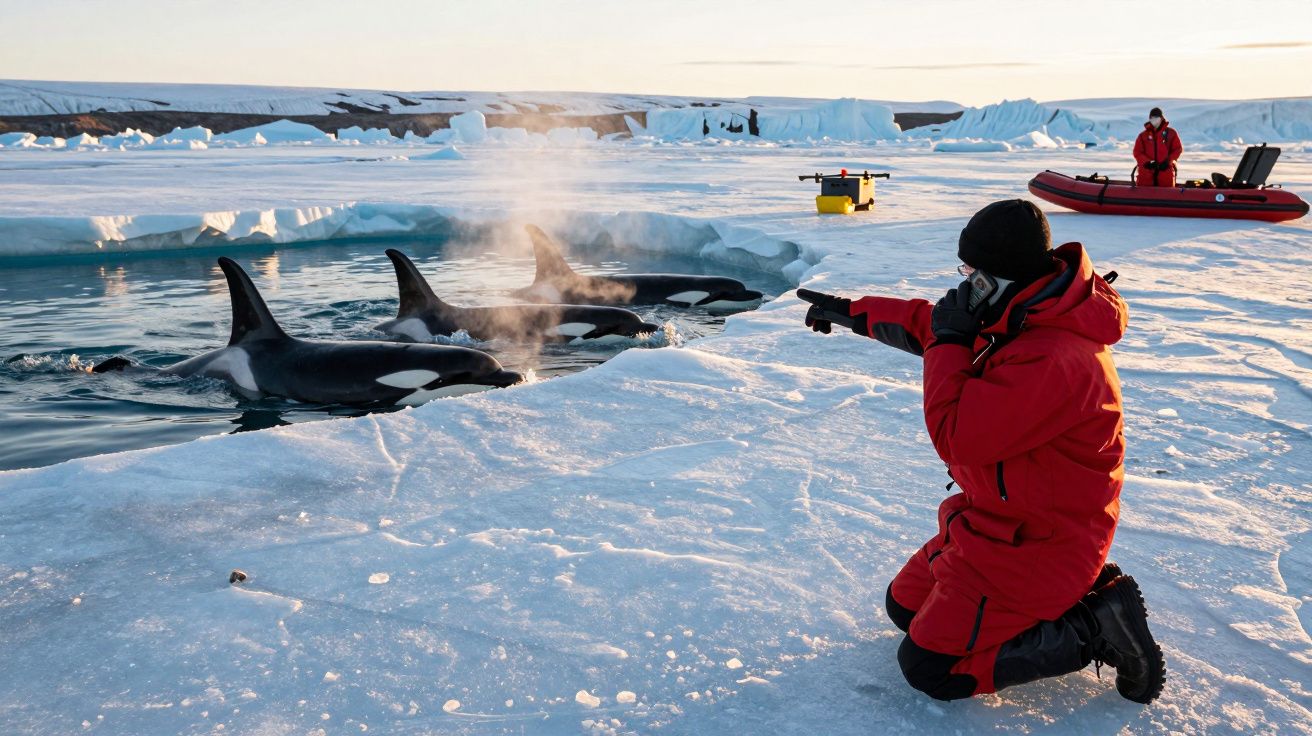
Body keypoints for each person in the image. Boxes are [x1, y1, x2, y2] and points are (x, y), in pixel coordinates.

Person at [799, 199, 1165, 704]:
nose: (966, 283)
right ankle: (1073, 595)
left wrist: (951, 341)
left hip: (1041, 543)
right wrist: (852, 313)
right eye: (965, 270)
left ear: (1004, 277)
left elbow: (958, 435)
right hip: (993, 525)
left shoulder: (1056, 359)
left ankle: (1095, 625)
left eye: (975, 273)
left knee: (931, 667)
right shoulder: (1023, 311)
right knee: (903, 609)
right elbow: (930, 326)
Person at [1133, 107, 1182, 187]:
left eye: (1156, 118)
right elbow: (1137, 152)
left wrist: (1168, 161)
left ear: (1161, 118)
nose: (1154, 120)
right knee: (1145, 195)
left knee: (1166, 195)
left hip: (1165, 173)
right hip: (1146, 175)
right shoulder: (1142, 136)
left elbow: (1177, 149)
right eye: (1152, 118)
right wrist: (1147, 162)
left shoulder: (1171, 133)